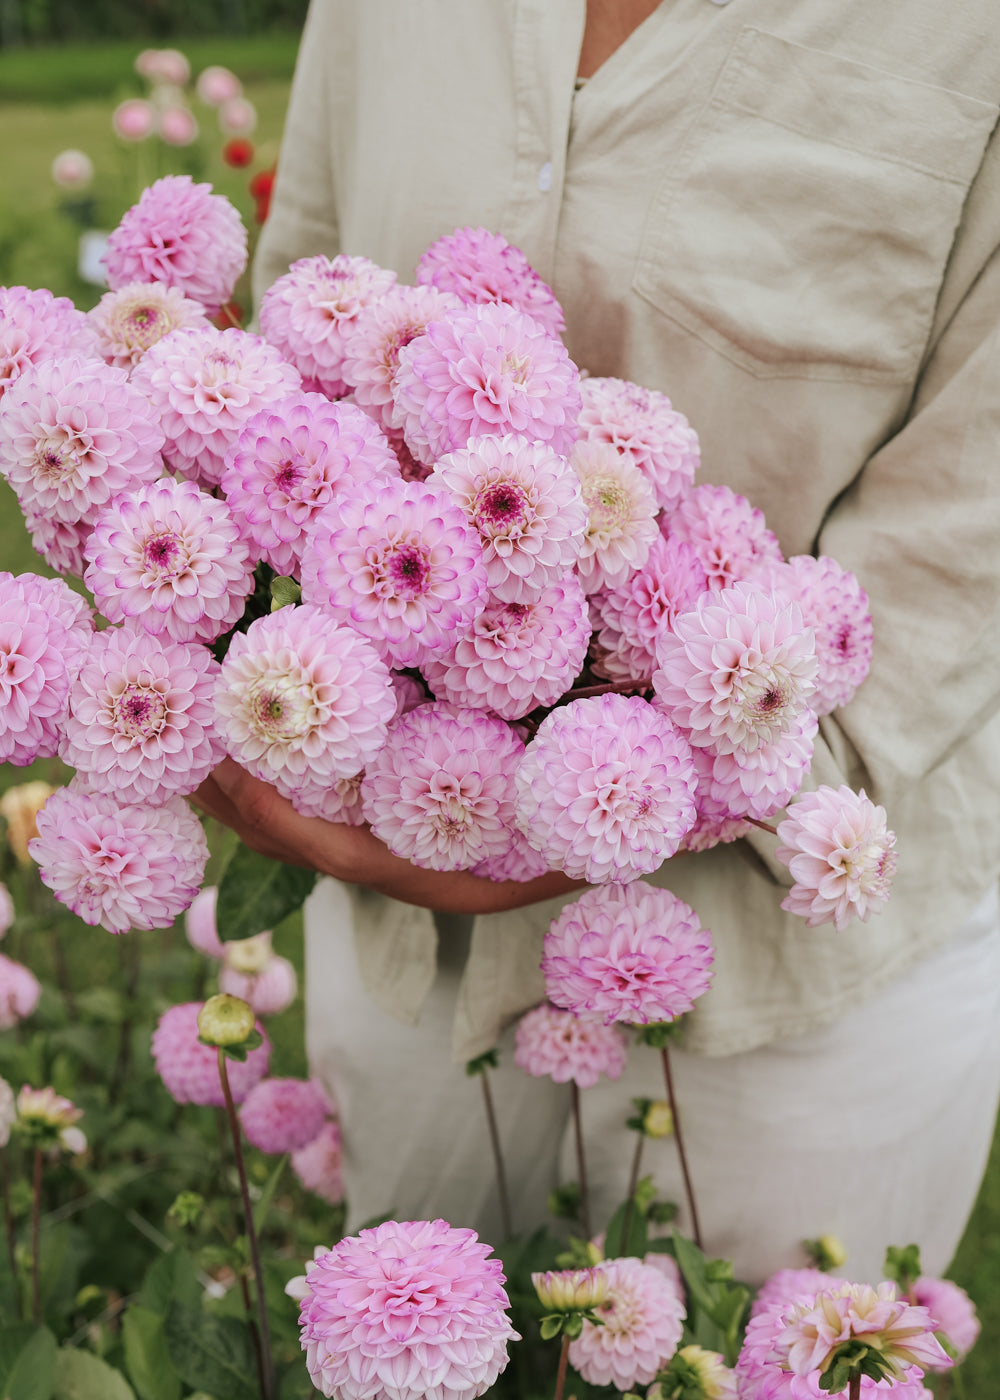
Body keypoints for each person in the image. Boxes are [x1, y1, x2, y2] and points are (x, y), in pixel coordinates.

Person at [197, 0, 1000, 1281]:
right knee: (401, 1325)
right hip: (391, 876)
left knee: (763, 1344)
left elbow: (972, 517)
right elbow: (310, 304)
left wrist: (650, 791)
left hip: (791, 948)